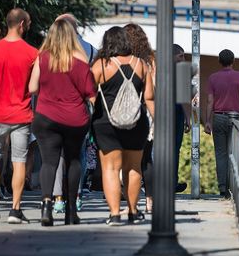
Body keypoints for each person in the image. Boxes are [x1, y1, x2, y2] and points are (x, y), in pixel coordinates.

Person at [28, 19, 96, 226]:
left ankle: (47, 206)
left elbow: (32, 87)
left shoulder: (43, 58)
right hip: (74, 119)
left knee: (49, 162)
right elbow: (91, 95)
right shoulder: (81, 62)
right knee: (73, 160)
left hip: (46, 117)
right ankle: (70, 211)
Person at [91, 26, 154, 226]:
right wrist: (158, 123)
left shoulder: (101, 65)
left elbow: (89, 96)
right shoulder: (141, 65)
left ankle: (115, 213)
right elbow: (150, 98)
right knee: (133, 168)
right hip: (137, 123)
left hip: (106, 124)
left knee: (110, 169)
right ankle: (133, 211)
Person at [0, 8, 38, 223]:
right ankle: (15, 209)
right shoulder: (32, 53)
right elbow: (33, 87)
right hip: (21, 115)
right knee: (19, 161)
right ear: (21, 24)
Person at [51, 13, 98, 214]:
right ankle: (76, 195)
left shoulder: (50, 52)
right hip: (80, 108)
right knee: (78, 155)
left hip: (53, 109)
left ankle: (58, 198)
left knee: (56, 156)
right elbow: (94, 83)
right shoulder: (90, 50)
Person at [204, 49, 239, 198]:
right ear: (233, 60)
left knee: (221, 154)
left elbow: (210, 101)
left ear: (219, 61)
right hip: (235, 119)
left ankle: (223, 189)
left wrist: (207, 121)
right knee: (234, 153)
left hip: (218, 118)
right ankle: (233, 188)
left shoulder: (213, 78)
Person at [124, 22, 156, 213]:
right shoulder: (150, 59)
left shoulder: (120, 59)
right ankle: (149, 200)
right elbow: (155, 87)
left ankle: (128, 199)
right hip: (145, 111)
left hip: (124, 112)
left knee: (126, 159)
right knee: (146, 160)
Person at [173, 44, 190, 194]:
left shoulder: (158, 70)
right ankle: (172, 181)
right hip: (176, 112)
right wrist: (188, 119)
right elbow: (184, 99)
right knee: (175, 148)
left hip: (159, 113)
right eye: (181, 56)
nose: (184, 59)